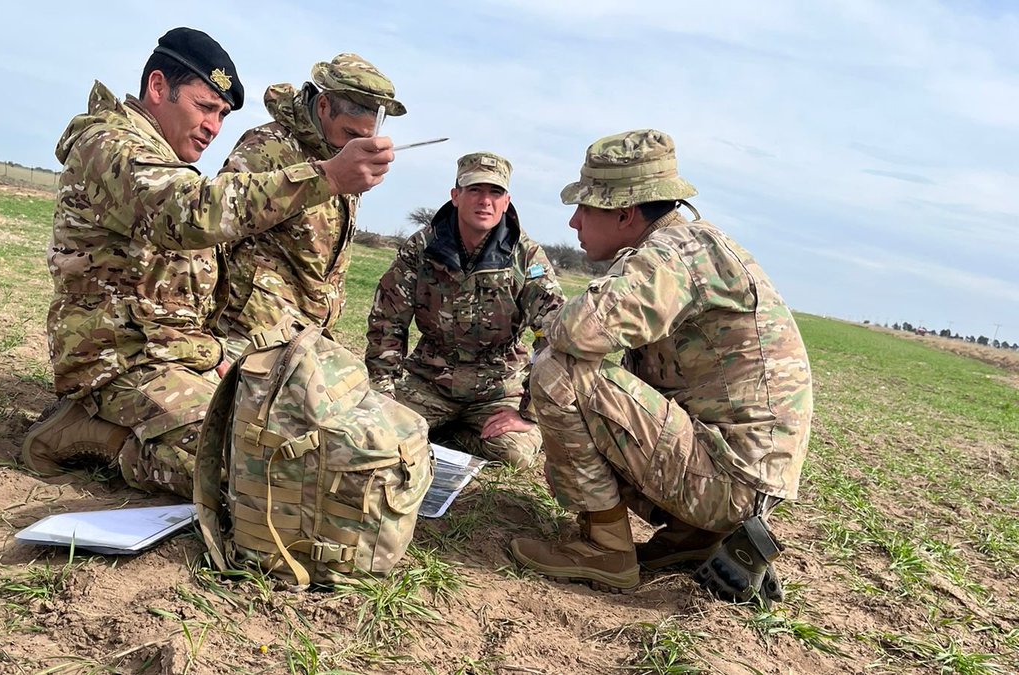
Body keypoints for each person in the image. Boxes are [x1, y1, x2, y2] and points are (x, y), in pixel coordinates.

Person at [21, 27, 394, 498]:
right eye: (204, 107)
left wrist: (219, 355)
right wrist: (325, 176)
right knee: (246, 475)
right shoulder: (109, 145)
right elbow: (188, 211)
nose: (214, 127)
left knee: (294, 443)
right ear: (158, 88)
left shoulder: (162, 158)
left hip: (179, 355)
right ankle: (90, 433)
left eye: (221, 114)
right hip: (118, 362)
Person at [509, 129, 813, 593]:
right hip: (736, 478)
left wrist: (546, 330)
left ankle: (604, 550)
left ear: (625, 213)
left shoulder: (676, 254)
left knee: (559, 368)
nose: (573, 223)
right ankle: (693, 538)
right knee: (608, 378)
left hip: (728, 482)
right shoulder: (692, 249)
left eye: (585, 208)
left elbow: (580, 330)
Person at [365, 152, 564, 467]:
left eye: (495, 192)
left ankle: (450, 433)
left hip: (498, 389)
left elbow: (554, 336)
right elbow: (387, 320)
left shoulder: (526, 256)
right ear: (456, 196)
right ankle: (434, 427)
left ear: (507, 200)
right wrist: (383, 392)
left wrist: (528, 412)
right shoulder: (421, 248)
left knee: (515, 455)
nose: (485, 200)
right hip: (430, 382)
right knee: (377, 435)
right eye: (475, 190)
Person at [217, 53, 405, 359]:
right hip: (248, 336)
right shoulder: (268, 147)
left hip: (306, 336)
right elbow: (218, 224)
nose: (353, 147)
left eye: (365, 139)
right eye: (350, 134)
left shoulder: (341, 155)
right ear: (323, 106)